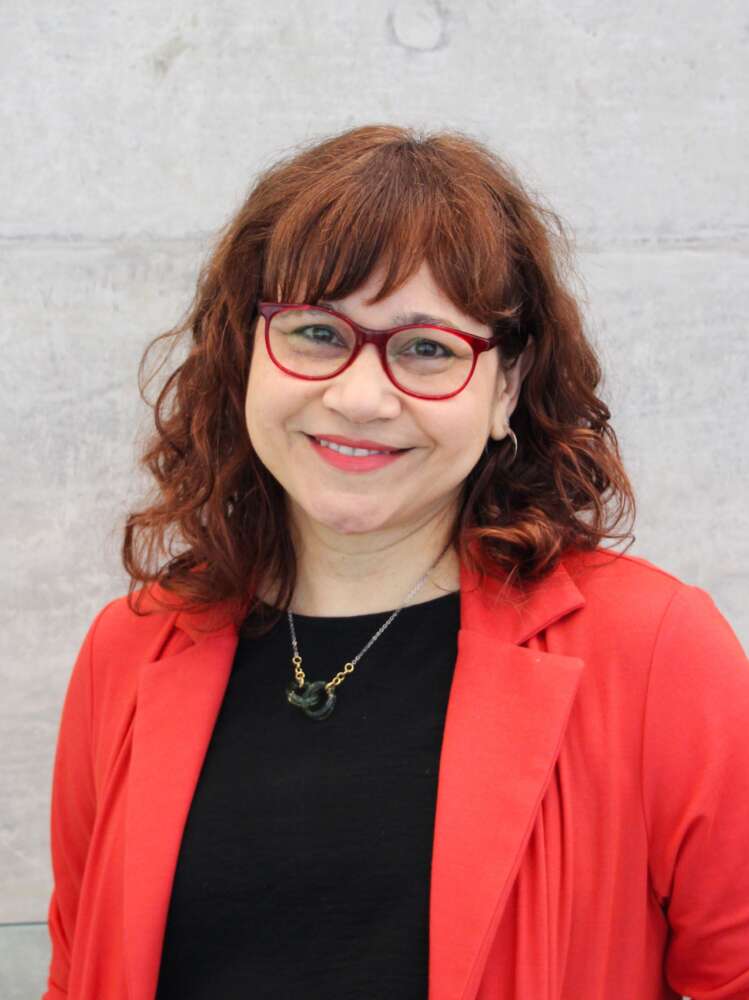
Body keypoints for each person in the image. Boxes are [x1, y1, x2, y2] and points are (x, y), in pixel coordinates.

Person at [42, 124, 749, 1000]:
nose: (359, 397)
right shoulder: (130, 648)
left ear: (508, 387)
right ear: (245, 354)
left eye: (427, 349)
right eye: (314, 333)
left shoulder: (653, 653)